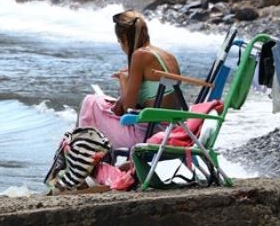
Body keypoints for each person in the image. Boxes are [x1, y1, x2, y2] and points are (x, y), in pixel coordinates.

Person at [76, 10, 208, 149]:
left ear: (125, 40)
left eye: (119, 42)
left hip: (149, 134)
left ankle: (81, 156)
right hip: (174, 129)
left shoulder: (140, 55)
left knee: (90, 102)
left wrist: (123, 79)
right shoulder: (168, 56)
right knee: (99, 103)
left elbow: (129, 108)